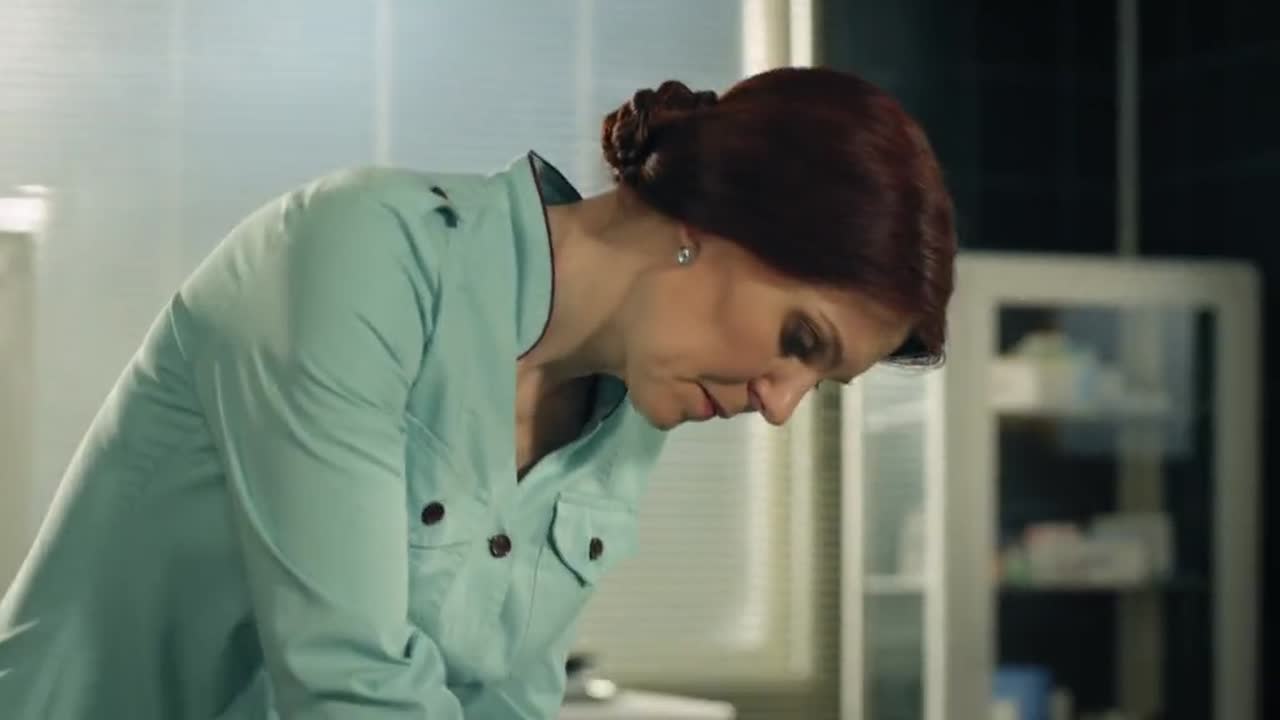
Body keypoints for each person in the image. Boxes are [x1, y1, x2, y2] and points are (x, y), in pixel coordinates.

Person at [0, 66, 955, 718]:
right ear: (712, 217)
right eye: (800, 342)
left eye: (820, 383)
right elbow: (349, 686)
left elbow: (504, 697)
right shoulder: (363, 255)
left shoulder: (628, 414)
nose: (780, 405)